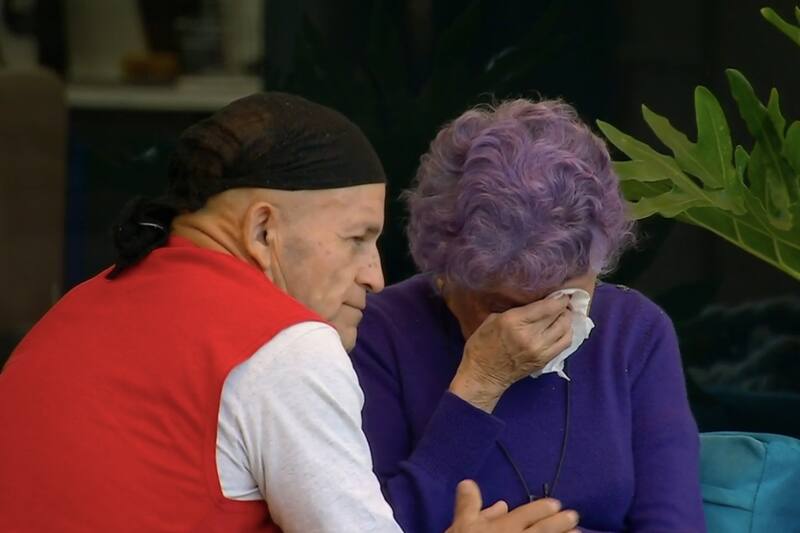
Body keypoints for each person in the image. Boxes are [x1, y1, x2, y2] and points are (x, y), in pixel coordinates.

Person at [0, 92, 579, 533]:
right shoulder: (281, 345)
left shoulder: (76, 307)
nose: (375, 275)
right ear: (262, 229)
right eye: (357, 238)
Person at [351, 98, 707, 532]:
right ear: (446, 271)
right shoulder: (378, 333)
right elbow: (369, 522)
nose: (538, 328)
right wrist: (477, 387)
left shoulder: (634, 333)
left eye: (565, 300)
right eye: (503, 307)